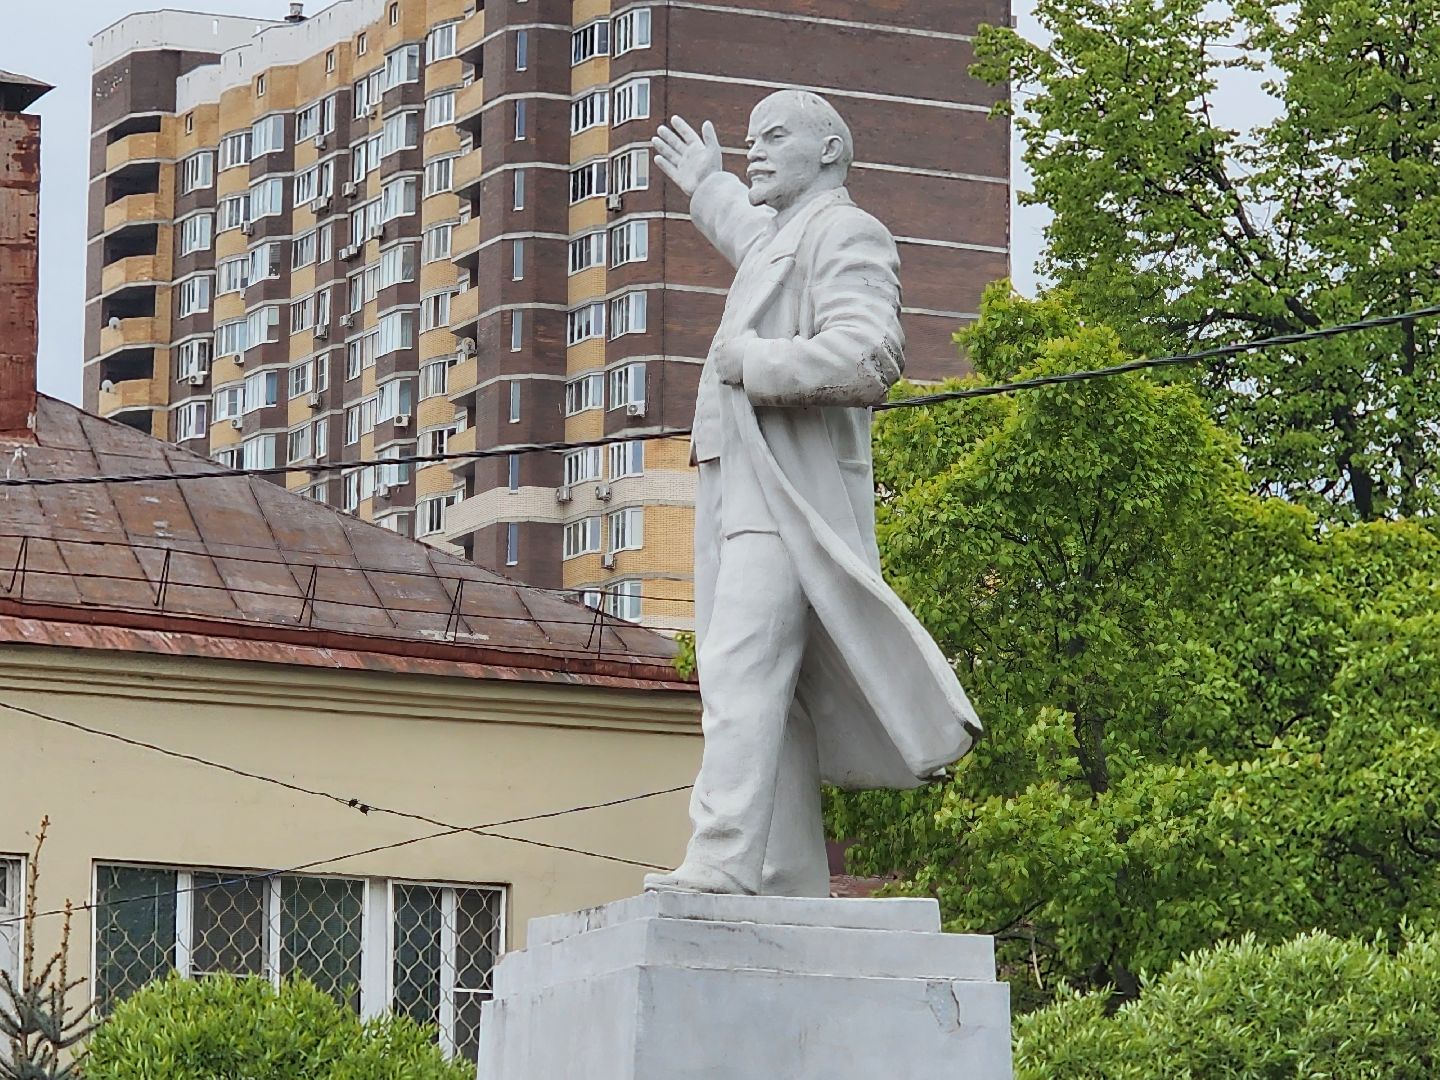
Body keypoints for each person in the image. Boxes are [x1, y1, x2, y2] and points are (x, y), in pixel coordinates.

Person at [644, 91, 981, 898]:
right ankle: (785, 874)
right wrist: (706, 185)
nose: (754, 150)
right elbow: (748, 234)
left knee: (740, 666)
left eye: (774, 137)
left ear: (830, 149)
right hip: (733, 482)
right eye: (749, 138)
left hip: (786, 489)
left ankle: (723, 856)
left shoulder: (847, 230)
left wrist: (756, 364)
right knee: (769, 686)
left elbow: (870, 354)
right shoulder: (783, 234)